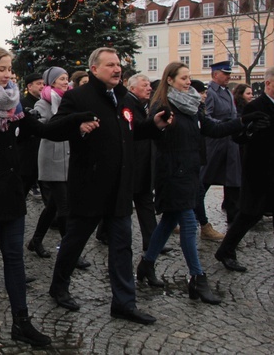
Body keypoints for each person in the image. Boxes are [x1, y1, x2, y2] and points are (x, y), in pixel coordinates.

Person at [0, 48, 96, 347]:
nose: (8, 74)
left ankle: (21, 322)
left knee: (14, 257)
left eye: (10, 68)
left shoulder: (13, 104)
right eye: (2, 69)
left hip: (10, 190)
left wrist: (75, 122)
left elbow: (42, 130)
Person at [48, 47, 171, 325]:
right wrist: (78, 127)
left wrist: (154, 125)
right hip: (89, 186)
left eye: (118, 65)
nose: (117, 69)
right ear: (94, 69)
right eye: (110, 65)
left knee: (122, 247)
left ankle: (124, 303)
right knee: (74, 243)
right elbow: (55, 128)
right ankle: (59, 286)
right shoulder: (77, 97)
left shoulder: (124, 99)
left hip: (119, 188)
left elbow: (132, 129)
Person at [135, 62, 261, 304]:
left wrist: (244, 120)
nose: (187, 81)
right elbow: (154, 134)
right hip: (172, 174)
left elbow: (213, 129)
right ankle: (197, 278)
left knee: (169, 221)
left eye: (189, 77)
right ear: (169, 80)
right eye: (183, 78)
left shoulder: (192, 106)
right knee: (190, 225)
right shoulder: (163, 106)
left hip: (190, 172)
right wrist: (160, 128)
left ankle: (147, 264)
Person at [26, 67, 89, 269]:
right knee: (64, 209)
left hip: (67, 158)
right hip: (52, 159)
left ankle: (35, 240)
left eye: (66, 78)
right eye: (61, 79)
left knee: (53, 205)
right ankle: (70, 252)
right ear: (51, 82)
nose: (65, 81)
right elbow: (42, 128)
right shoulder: (42, 103)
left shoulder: (66, 100)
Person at [215, 66, 274, 272]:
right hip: (259, 169)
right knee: (250, 214)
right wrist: (251, 130)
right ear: (268, 83)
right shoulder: (255, 106)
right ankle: (226, 250)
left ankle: (226, 250)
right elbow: (238, 137)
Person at [198, 61, 241, 228]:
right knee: (204, 181)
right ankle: (196, 215)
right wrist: (225, 124)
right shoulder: (210, 93)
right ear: (215, 74)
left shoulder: (228, 92)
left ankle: (234, 219)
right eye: (225, 73)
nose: (228, 76)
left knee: (232, 182)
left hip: (230, 144)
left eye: (229, 73)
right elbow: (206, 117)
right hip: (215, 144)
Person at [124, 74, 162, 253]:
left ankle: (152, 241)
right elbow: (135, 130)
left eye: (149, 85)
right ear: (132, 88)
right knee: (125, 203)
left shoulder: (144, 105)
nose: (149, 88)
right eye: (144, 85)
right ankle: (104, 232)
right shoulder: (128, 103)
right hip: (134, 163)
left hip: (144, 163)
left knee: (145, 202)